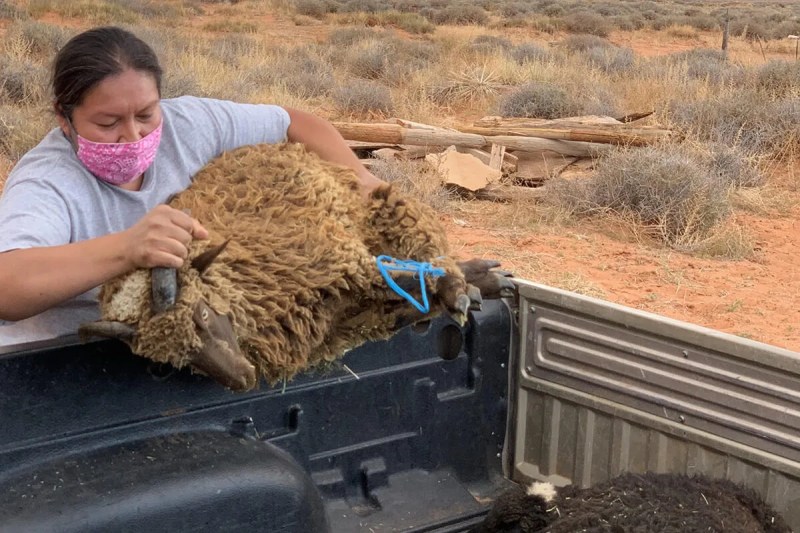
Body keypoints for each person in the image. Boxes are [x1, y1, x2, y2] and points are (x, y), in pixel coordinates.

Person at [0, 26, 385, 346]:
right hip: (66, 356)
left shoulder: (188, 124)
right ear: (64, 118)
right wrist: (127, 249)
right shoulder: (47, 180)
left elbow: (295, 123)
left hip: (185, 338)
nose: (132, 135)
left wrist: (360, 178)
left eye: (146, 114)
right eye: (107, 123)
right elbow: (8, 283)